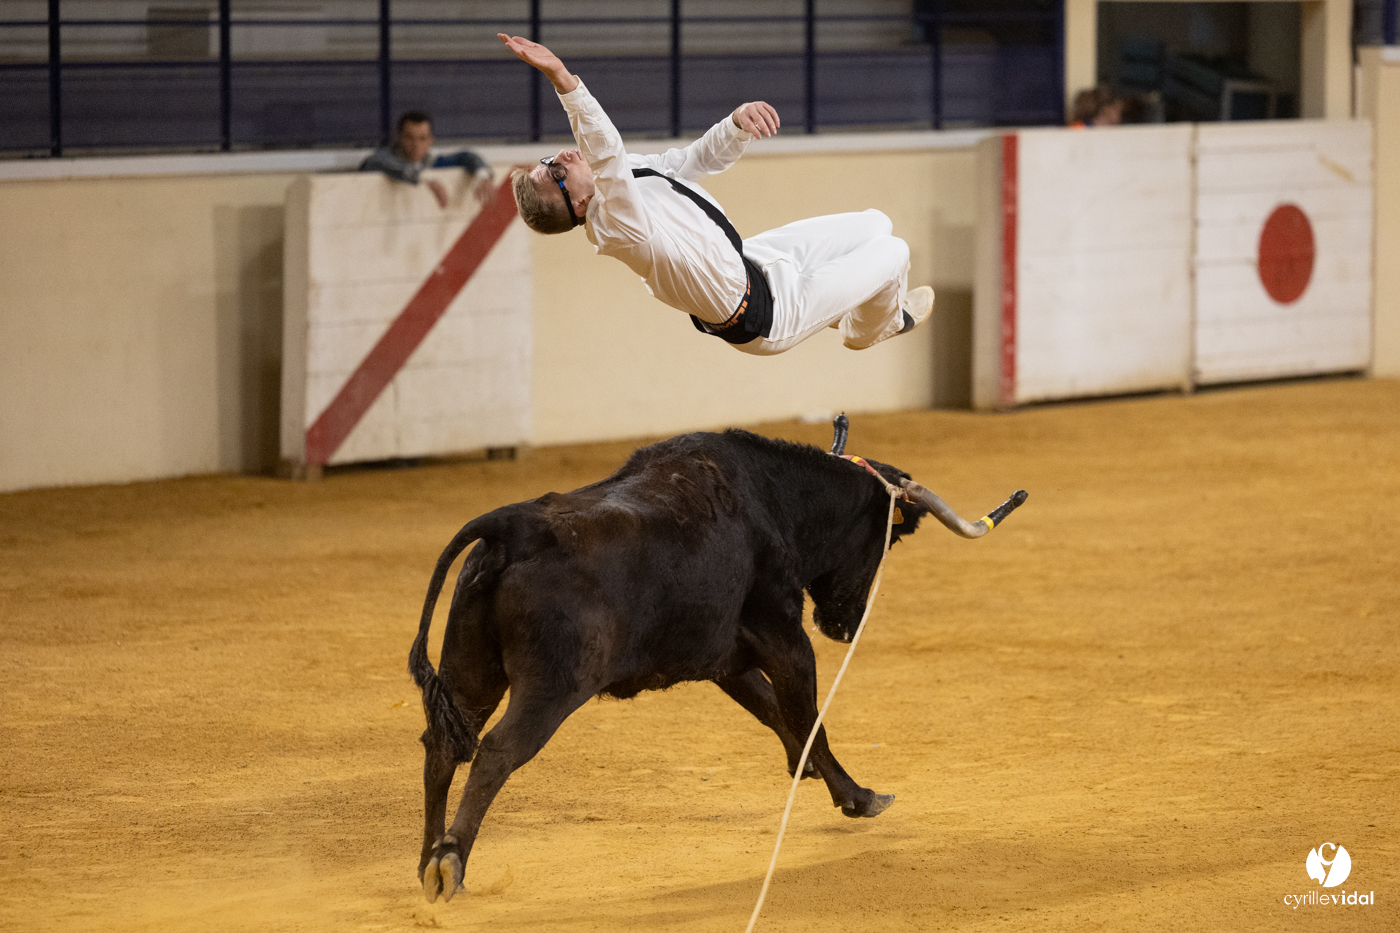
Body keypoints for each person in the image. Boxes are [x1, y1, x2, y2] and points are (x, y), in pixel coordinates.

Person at [497, 33, 934, 355]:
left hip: (752, 262)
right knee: (894, 251)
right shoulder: (614, 226)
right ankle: (869, 329)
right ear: (577, 206)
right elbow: (605, 151)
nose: (560, 157)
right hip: (767, 317)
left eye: (546, 161)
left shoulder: (626, 180)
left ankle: (854, 307)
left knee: (877, 223)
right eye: (554, 169)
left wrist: (737, 123)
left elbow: (690, 163)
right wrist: (563, 80)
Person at [360, 111, 495, 208]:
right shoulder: (383, 160)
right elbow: (375, 162)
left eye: (422, 139)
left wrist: (482, 174)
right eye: (409, 138)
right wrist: (425, 176)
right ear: (399, 138)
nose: (416, 145)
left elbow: (465, 157)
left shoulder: (430, 162)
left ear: (431, 141)